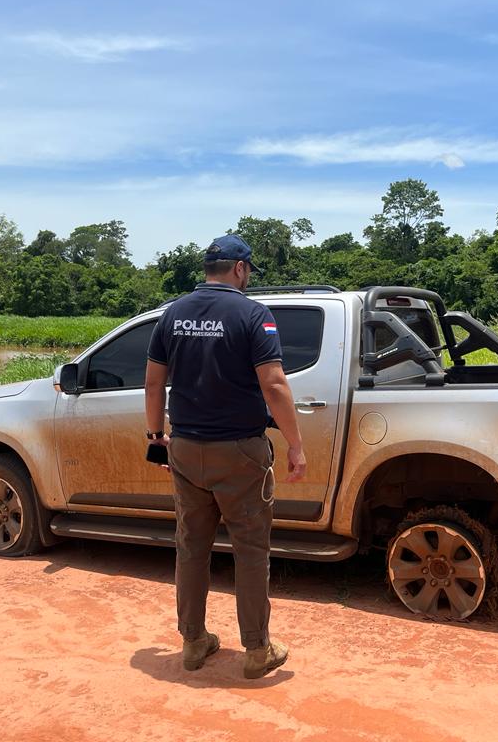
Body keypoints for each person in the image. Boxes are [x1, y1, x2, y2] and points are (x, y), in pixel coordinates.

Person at [144, 234, 307, 680]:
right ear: (239, 268)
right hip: (239, 452)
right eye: (249, 271)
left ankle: (193, 641)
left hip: (185, 448)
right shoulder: (253, 314)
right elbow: (273, 383)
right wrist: (295, 444)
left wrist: (156, 437)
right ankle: (257, 650)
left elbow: (154, 383)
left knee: (191, 547)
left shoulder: (172, 314)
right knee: (250, 550)